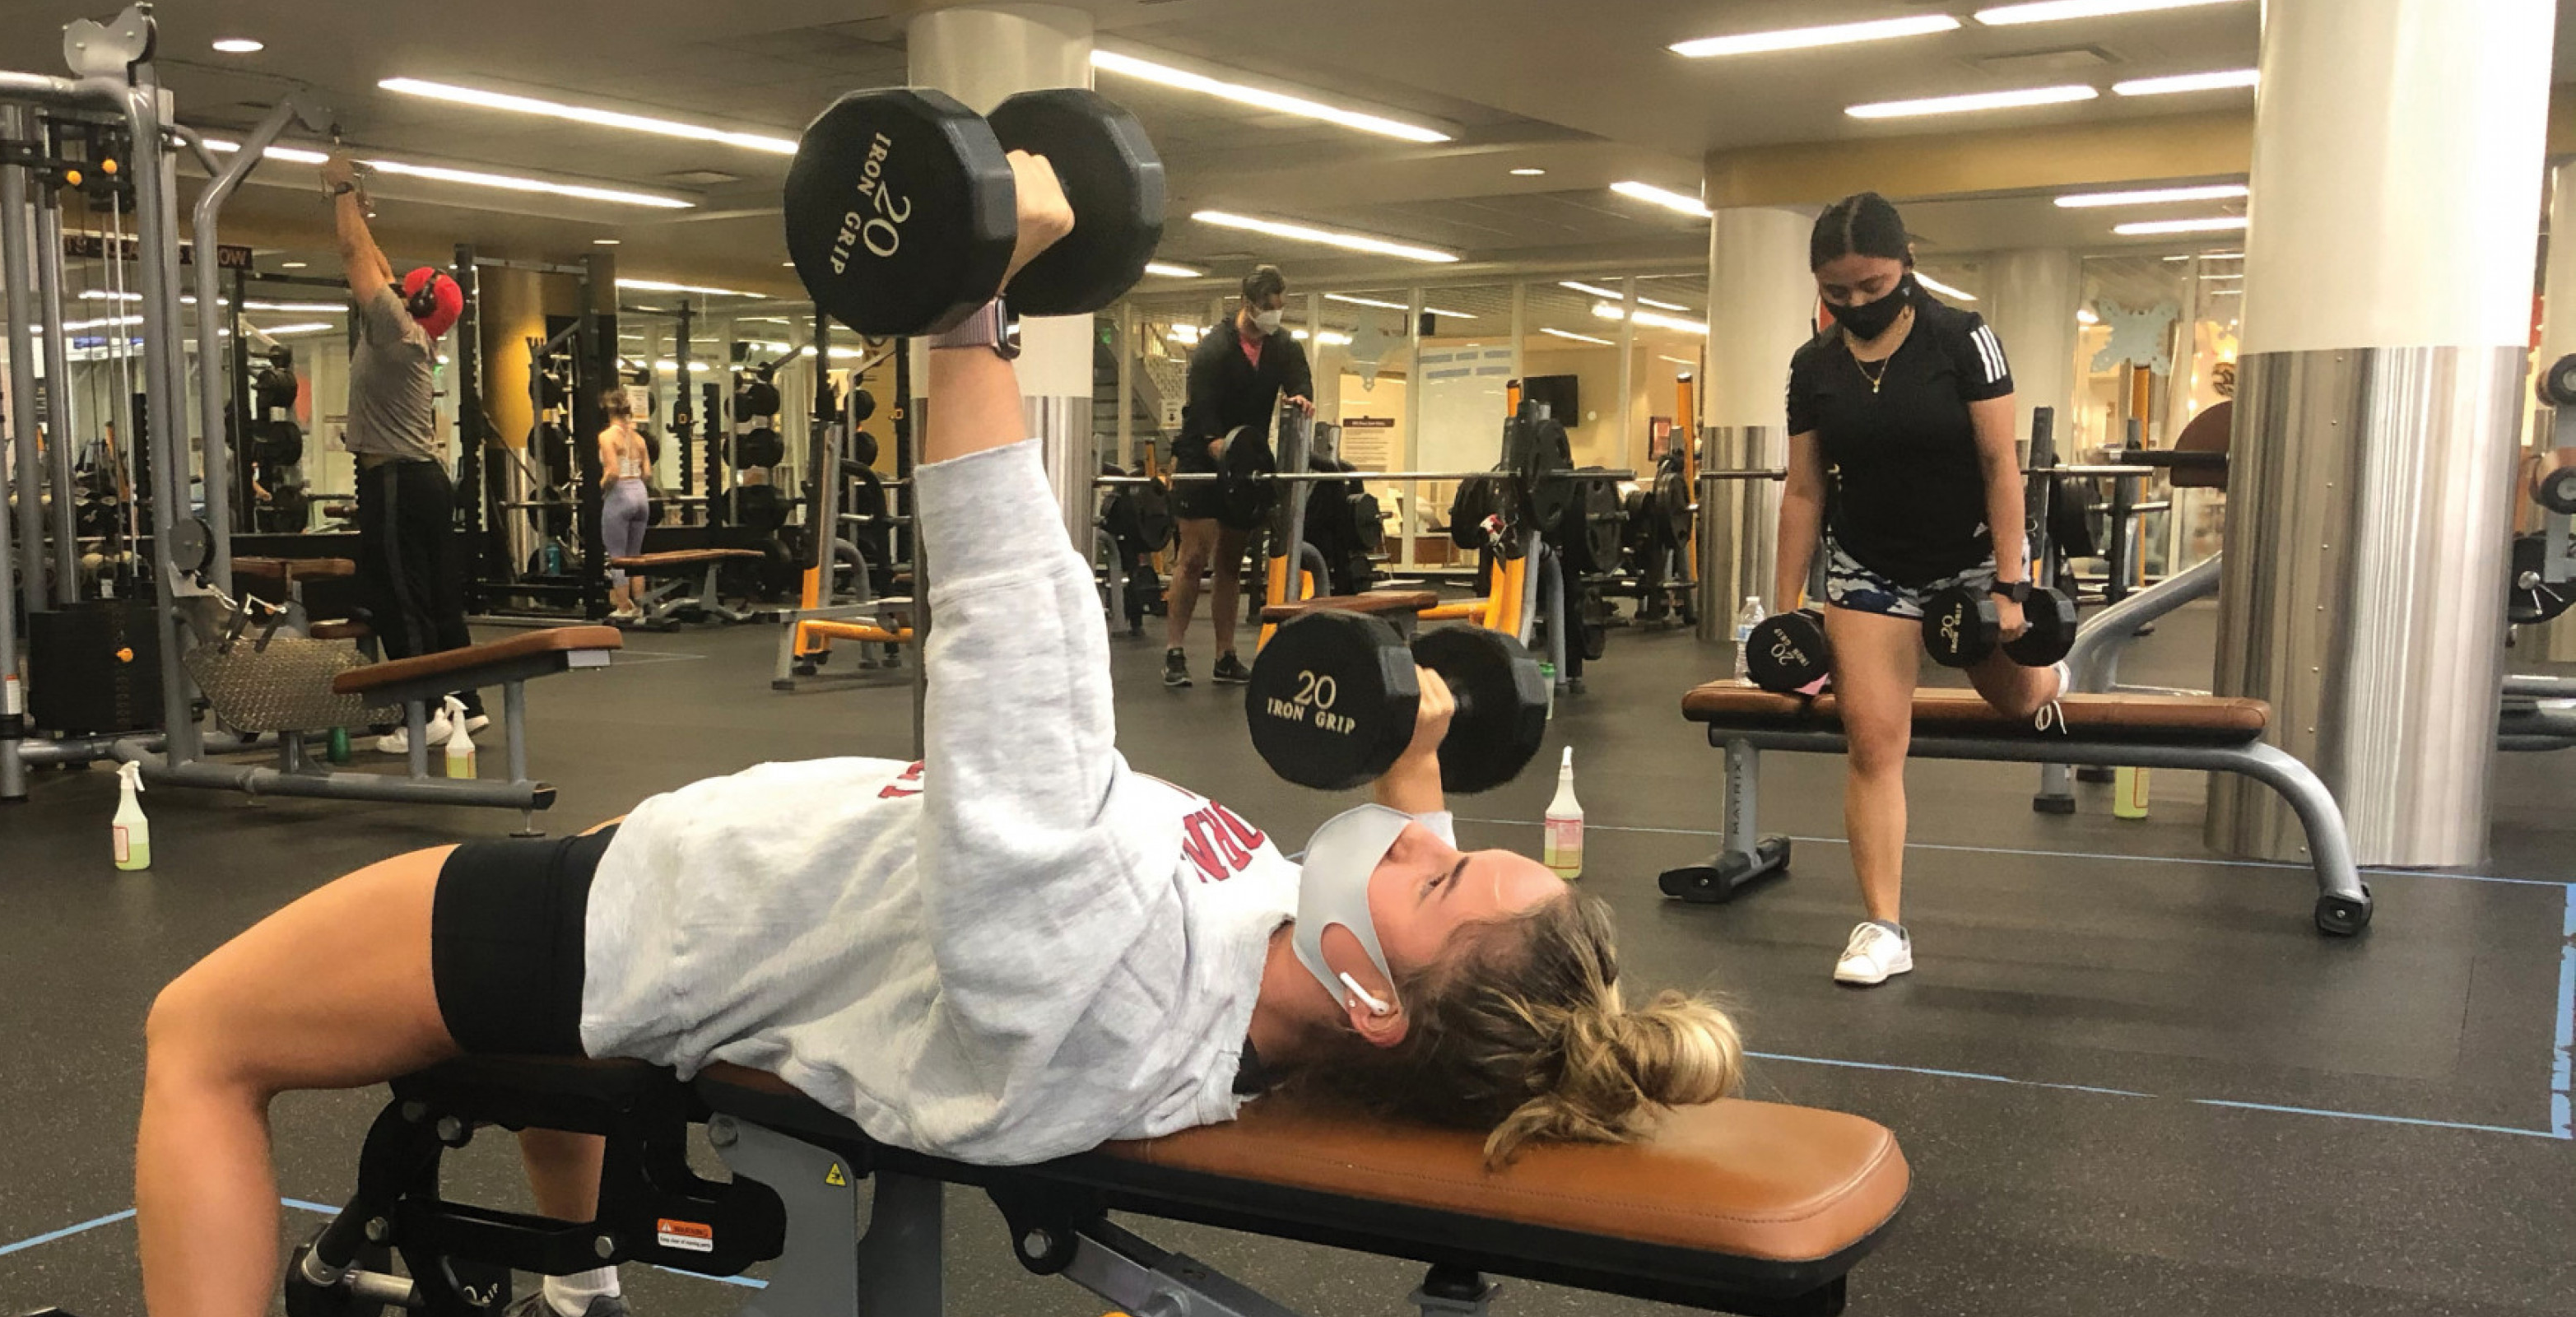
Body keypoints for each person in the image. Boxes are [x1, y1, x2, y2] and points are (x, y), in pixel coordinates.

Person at [135, 156, 1739, 1317]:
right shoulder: (1294, 985)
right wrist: (1419, 758)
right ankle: (582, 1295)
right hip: (727, 899)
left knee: (200, 1036)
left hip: (651, 919)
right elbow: (1435, 901)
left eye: (1446, 885)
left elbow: (1007, 587)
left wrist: (979, 286)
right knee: (571, 1013)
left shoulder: (1084, 941)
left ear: (1382, 997)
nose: (1424, 851)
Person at [1776, 192, 2067, 988]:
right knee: (1873, 741)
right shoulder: (1814, 367)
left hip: (1969, 558)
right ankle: (1883, 927)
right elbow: (1804, 491)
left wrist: (2011, 586)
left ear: (1905, 265)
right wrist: (1781, 609)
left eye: (1873, 286)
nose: (1857, 304)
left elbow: (2000, 465)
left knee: (2017, 701)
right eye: (1838, 293)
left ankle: (2052, 671)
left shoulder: (1962, 338)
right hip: (1868, 566)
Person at [320, 152, 484, 753]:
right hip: (423, 483)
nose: (392, 287)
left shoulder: (394, 332)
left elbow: (354, 260)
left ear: (410, 304)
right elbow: (375, 264)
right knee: (438, 596)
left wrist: (339, 186)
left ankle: (424, 714)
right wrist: (359, 203)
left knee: (401, 601)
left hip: (394, 482)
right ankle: (464, 702)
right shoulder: (412, 333)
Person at [1163, 264, 1311, 689]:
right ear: (1247, 304)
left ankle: (1225, 656)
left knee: (1231, 561)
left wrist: (1301, 397)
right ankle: (1175, 651)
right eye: (1269, 308)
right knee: (1193, 557)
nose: (1275, 316)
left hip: (1245, 457)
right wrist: (1225, 458)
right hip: (1202, 456)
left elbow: (1300, 382)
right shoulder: (1214, 349)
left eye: (1280, 308)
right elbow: (1206, 421)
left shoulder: (1282, 346)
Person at [594, 388, 653, 623]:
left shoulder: (607, 436)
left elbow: (612, 472)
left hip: (619, 495)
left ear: (607, 411)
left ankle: (623, 607)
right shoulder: (639, 438)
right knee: (635, 556)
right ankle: (639, 605)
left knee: (617, 557)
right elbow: (648, 473)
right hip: (640, 494)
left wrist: (601, 488)